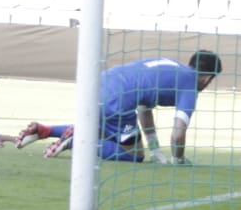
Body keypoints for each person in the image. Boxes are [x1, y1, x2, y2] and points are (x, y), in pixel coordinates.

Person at [18, 51, 223, 164]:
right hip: (117, 100)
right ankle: (80, 141)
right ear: (207, 78)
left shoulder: (170, 65)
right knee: (134, 155)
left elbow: (144, 107)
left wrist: (155, 149)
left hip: (97, 84)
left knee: (104, 129)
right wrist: (178, 159)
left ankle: (45, 131)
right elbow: (178, 134)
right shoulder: (190, 85)